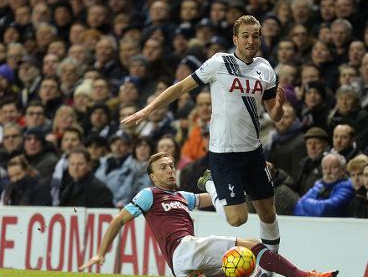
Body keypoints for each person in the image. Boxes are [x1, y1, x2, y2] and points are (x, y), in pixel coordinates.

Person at [122, 15, 286, 253]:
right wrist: (147, 110)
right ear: (235, 39)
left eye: (255, 36)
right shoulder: (219, 63)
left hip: (253, 153)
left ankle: (269, 269)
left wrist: (280, 107)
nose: (251, 40)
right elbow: (180, 87)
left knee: (268, 212)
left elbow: (276, 116)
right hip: (224, 154)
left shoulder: (265, 69)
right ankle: (210, 183)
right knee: (237, 219)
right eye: (245, 36)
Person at [78, 152, 338, 277]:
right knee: (249, 246)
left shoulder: (182, 197)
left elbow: (217, 199)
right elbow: (118, 221)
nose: (169, 170)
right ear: (153, 176)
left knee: (232, 276)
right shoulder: (149, 194)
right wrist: (101, 252)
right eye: (162, 168)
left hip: (183, 264)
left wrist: (248, 184)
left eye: (171, 165)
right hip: (183, 249)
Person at [293, 153, 354, 217]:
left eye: (333, 167)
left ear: (343, 170)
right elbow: (298, 206)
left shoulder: (348, 186)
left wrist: (305, 202)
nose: (328, 172)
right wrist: (310, 221)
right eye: (325, 168)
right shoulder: (319, 184)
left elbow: (324, 209)